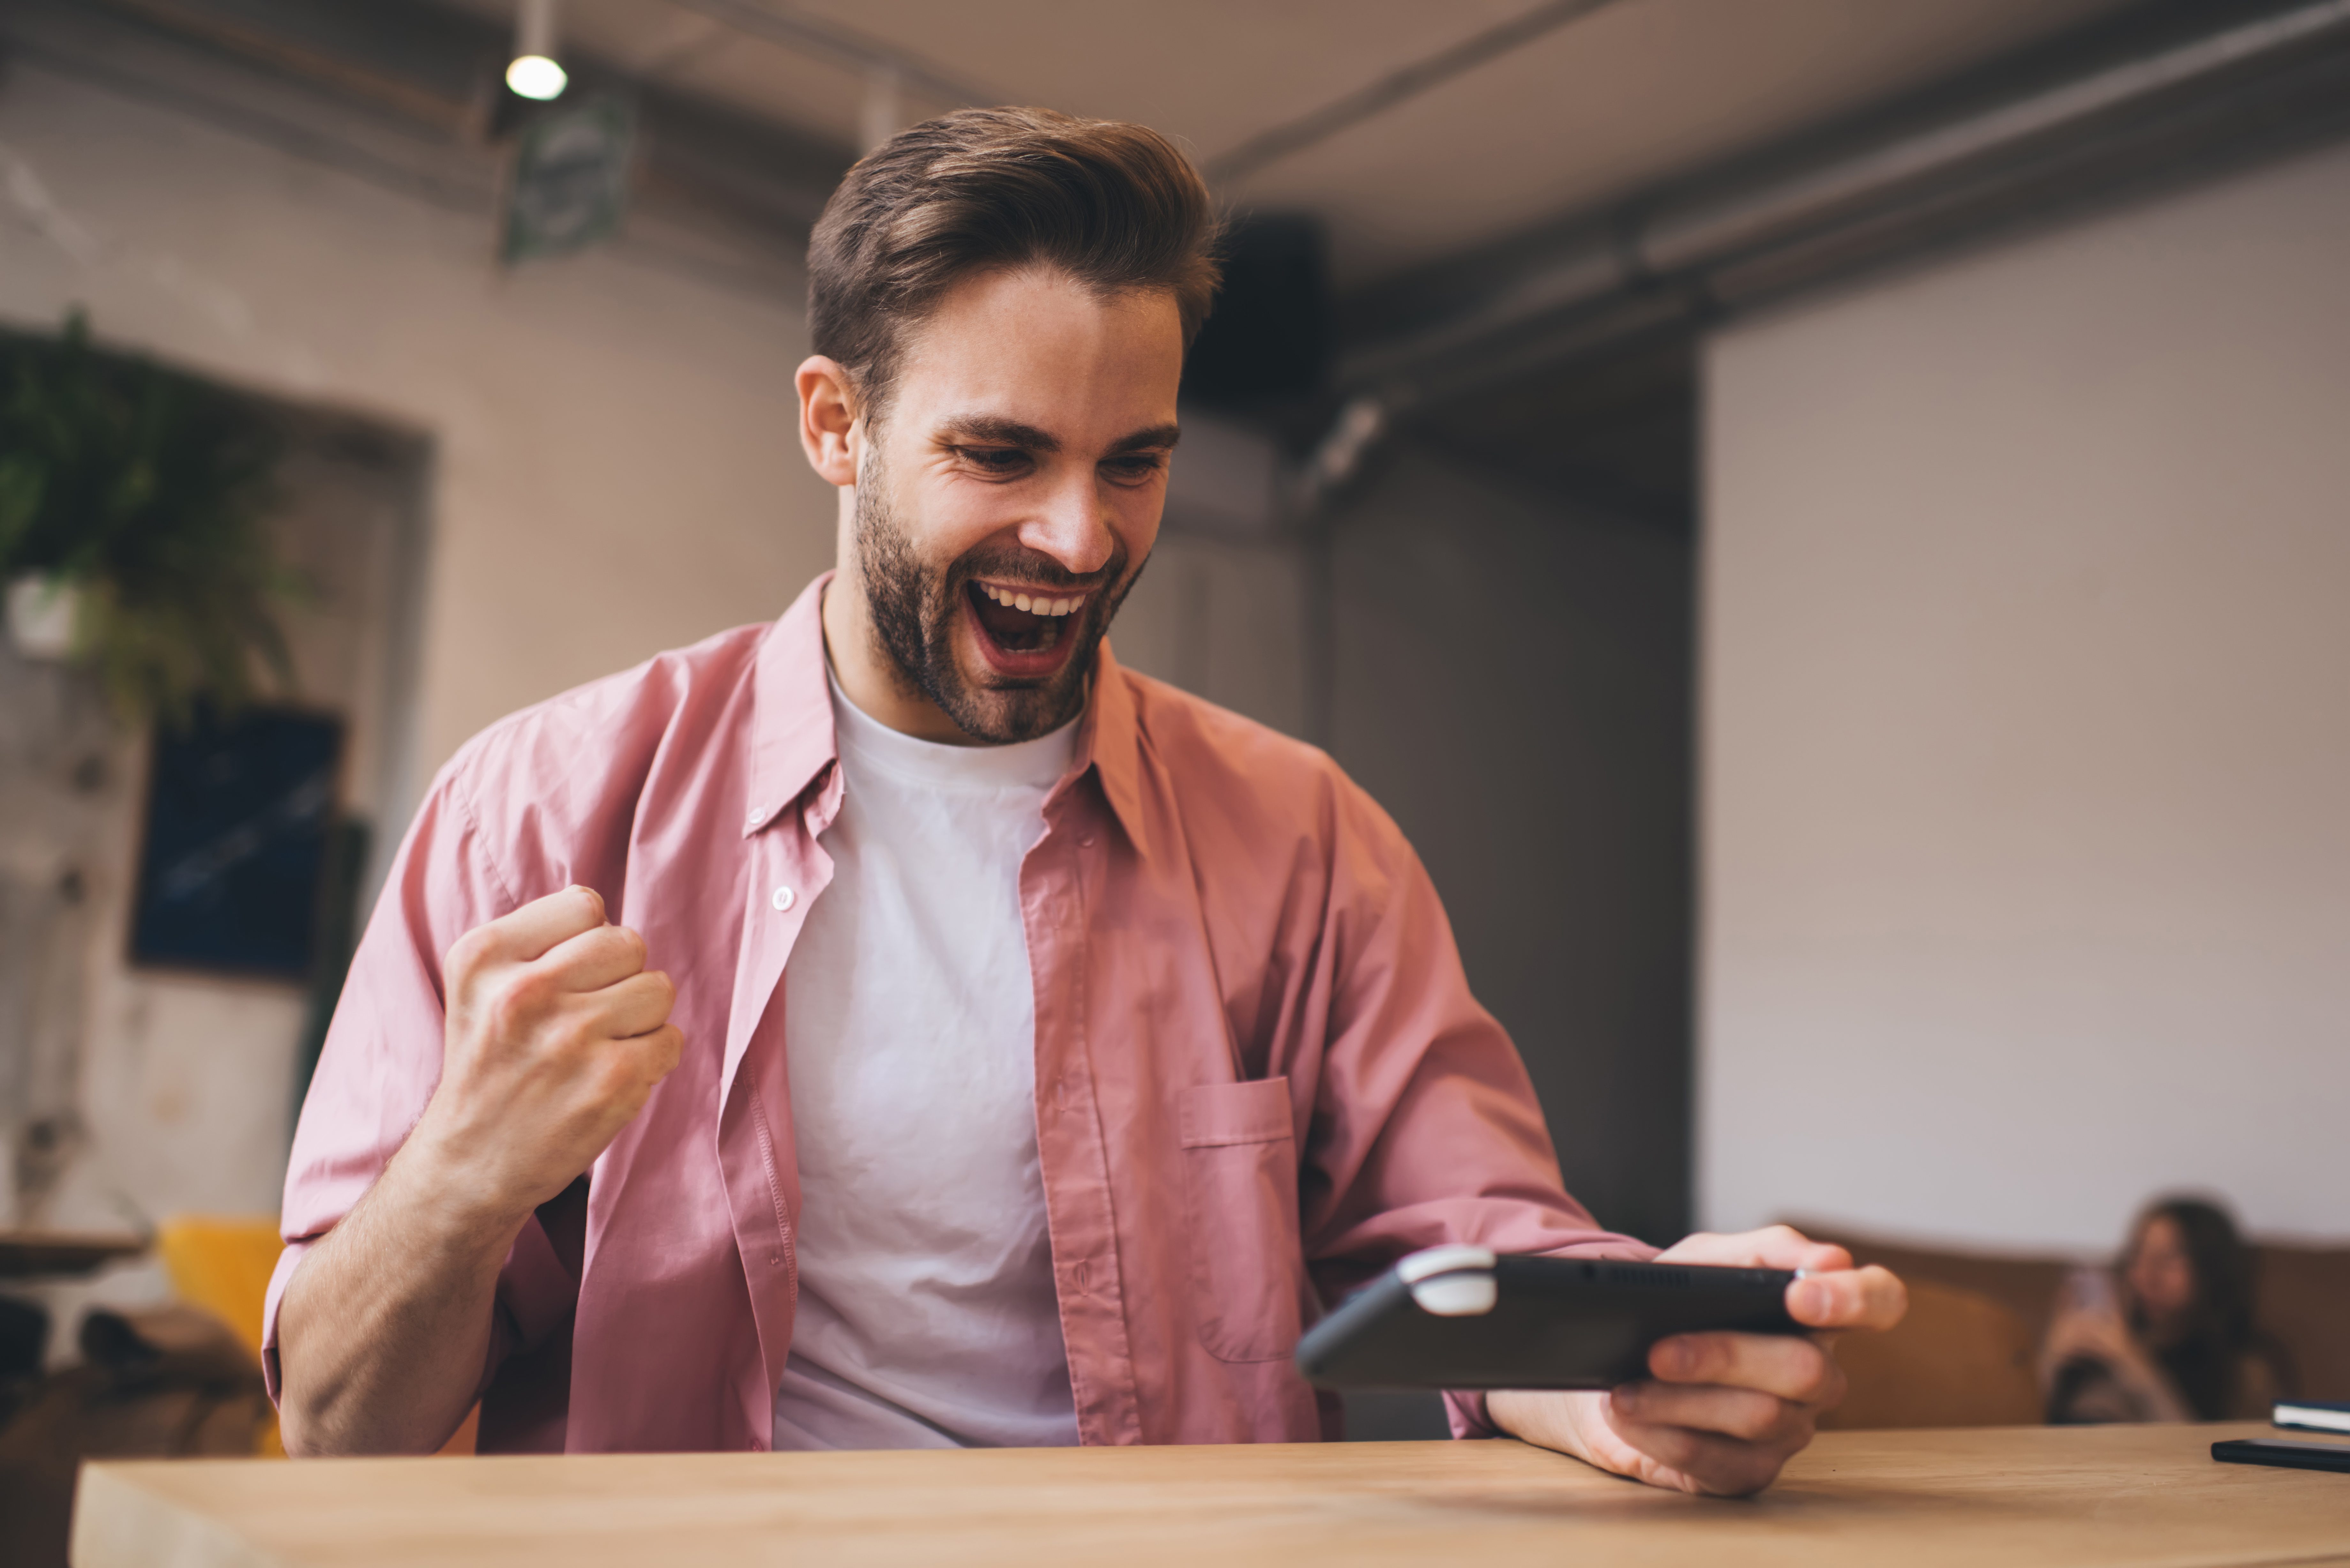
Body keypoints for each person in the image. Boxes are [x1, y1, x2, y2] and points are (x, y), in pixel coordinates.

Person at [267, 107, 1904, 1496]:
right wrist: (461, 1175)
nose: (1077, 537)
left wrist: (1642, 1361)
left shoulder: (1302, 838)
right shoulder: (547, 809)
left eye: (1133, 462)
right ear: (837, 424)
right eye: (1001, 455)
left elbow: (1464, 1253)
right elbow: (337, 1432)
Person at [2042, 1196, 2292, 1424]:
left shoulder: (2245, 1370)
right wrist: (2051, 1360)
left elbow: (2210, 1457)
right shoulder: (2102, 1348)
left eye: (2170, 1258)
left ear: (2212, 1269)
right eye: (2139, 1255)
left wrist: (2134, 1366)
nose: (2147, 1276)